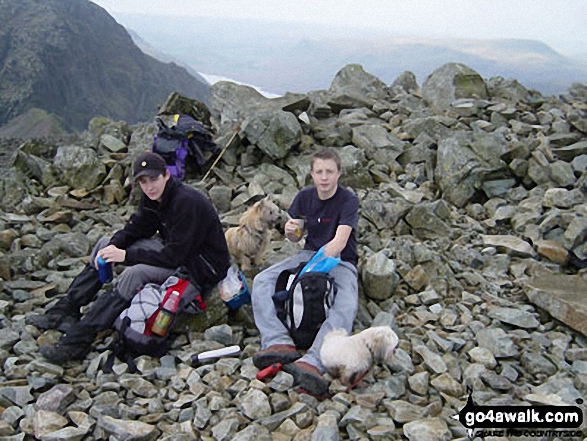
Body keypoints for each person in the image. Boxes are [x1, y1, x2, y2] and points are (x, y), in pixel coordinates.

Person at [30, 152, 230, 364]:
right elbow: (137, 227)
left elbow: (173, 257)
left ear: (166, 176)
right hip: (177, 253)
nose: (149, 186)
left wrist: (125, 255)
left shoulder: (186, 203)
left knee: (133, 274)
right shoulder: (154, 197)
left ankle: (77, 342)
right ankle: (65, 310)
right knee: (104, 245)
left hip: (200, 268)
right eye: (143, 181)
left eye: (153, 179)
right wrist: (114, 246)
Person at [251, 147, 359, 397]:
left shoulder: (348, 200)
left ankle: (314, 360)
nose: (324, 177)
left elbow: (340, 242)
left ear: (338, 174)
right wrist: (292, 230)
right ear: (311, 174)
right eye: (319, 171)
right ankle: (277, 341)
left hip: (341, 261)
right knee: (262, 280)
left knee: (346, 303)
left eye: (329, 172)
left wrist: (313, 271)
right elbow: (296, 234)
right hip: (307, 254)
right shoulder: (305, 197)